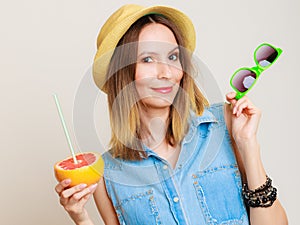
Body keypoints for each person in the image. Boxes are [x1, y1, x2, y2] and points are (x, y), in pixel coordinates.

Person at [55, 4, 288, 225]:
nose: (166, 72)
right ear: (123, 75)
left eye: (173, 57)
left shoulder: (225, 123)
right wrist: (81, 218)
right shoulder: (108, 174)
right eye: (147, 59)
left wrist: (248, 145)